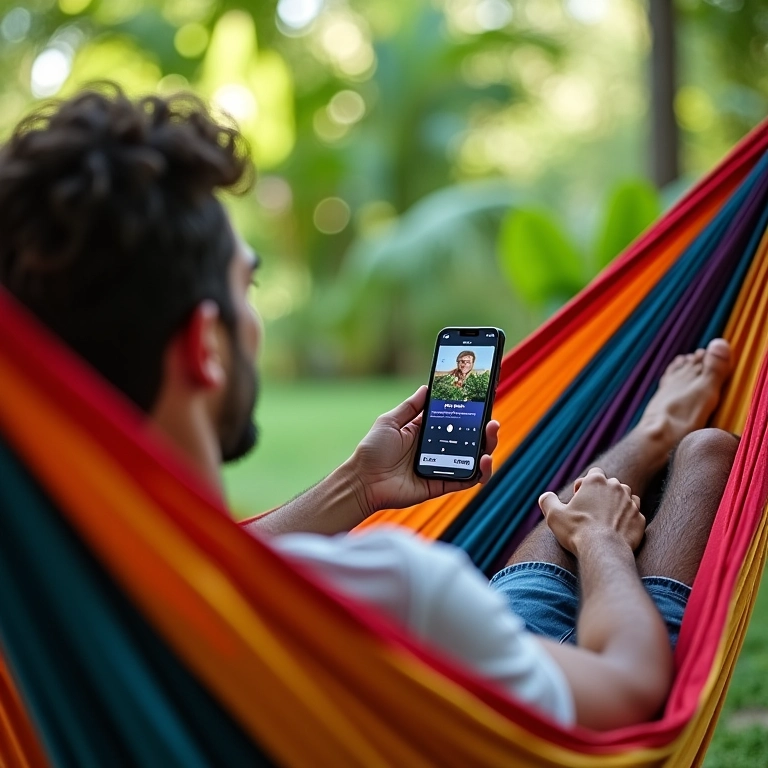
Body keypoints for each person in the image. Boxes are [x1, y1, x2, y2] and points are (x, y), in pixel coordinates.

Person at [0, 86, 738, 731]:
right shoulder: (390, 589)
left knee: (583, 526)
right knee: (707, 459)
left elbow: (230, 564)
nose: (253, 318)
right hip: (541, 694)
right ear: (206, 345)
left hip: (476, 658)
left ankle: (648, 436)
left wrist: (359, 485)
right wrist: (604, 546)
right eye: (246, 288)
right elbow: (633, 693)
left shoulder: (43, 615)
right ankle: (651, 450)